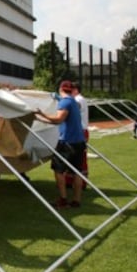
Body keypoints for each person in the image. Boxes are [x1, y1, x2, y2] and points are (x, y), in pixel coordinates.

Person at [34, 80, 86, 208]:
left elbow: (58, 119)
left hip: (67, 143)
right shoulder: (73, 101)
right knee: (77, 172)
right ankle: (76, 200)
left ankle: (63, 199)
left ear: (60, 89)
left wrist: (41, 115)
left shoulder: (65, 102)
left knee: (58, 169)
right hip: (79, 141)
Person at [66, 82, 89, 188]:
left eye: (70, 90)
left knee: (79, 157)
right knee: (72, 156)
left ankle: (81, 182)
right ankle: (71, 180)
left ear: (76, 90)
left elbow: (74, 107)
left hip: (80, 131)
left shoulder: (79, 99)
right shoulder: (78, 99)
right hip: (79, 131)